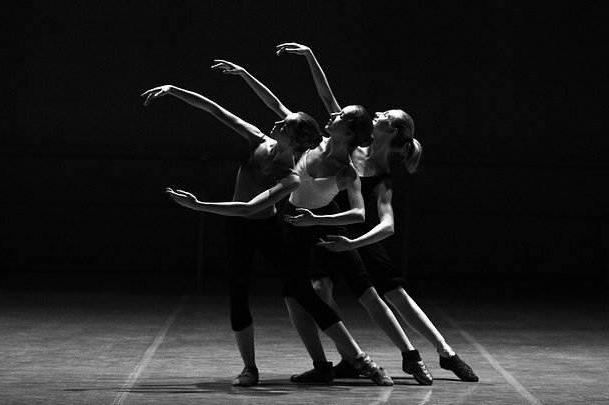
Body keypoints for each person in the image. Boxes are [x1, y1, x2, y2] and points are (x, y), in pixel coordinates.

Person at [141, 61, 392, 387]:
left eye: (284, 124)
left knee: (302, 291)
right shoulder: (257, 139)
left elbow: (249, 208)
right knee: (238, 293)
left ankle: (360, 359)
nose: (276, 122)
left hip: (267, 228)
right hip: (238, 229)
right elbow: (218, 111)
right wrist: (175, 90)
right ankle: (250, 368)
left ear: (295, 138)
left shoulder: (290, 177)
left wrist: (198, 205)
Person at [276, 42, 479, 383]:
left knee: (393, 294)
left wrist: (354, 242)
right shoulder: (352, 147)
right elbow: (328, 99)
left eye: (386, 116)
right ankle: (346, 357)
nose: (378, 114)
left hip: (361, 236)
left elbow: (386, 226)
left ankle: (445, 353)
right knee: (320, 288)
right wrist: (311, 56)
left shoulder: (383, 179)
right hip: (331, 227)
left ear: (392, 131)